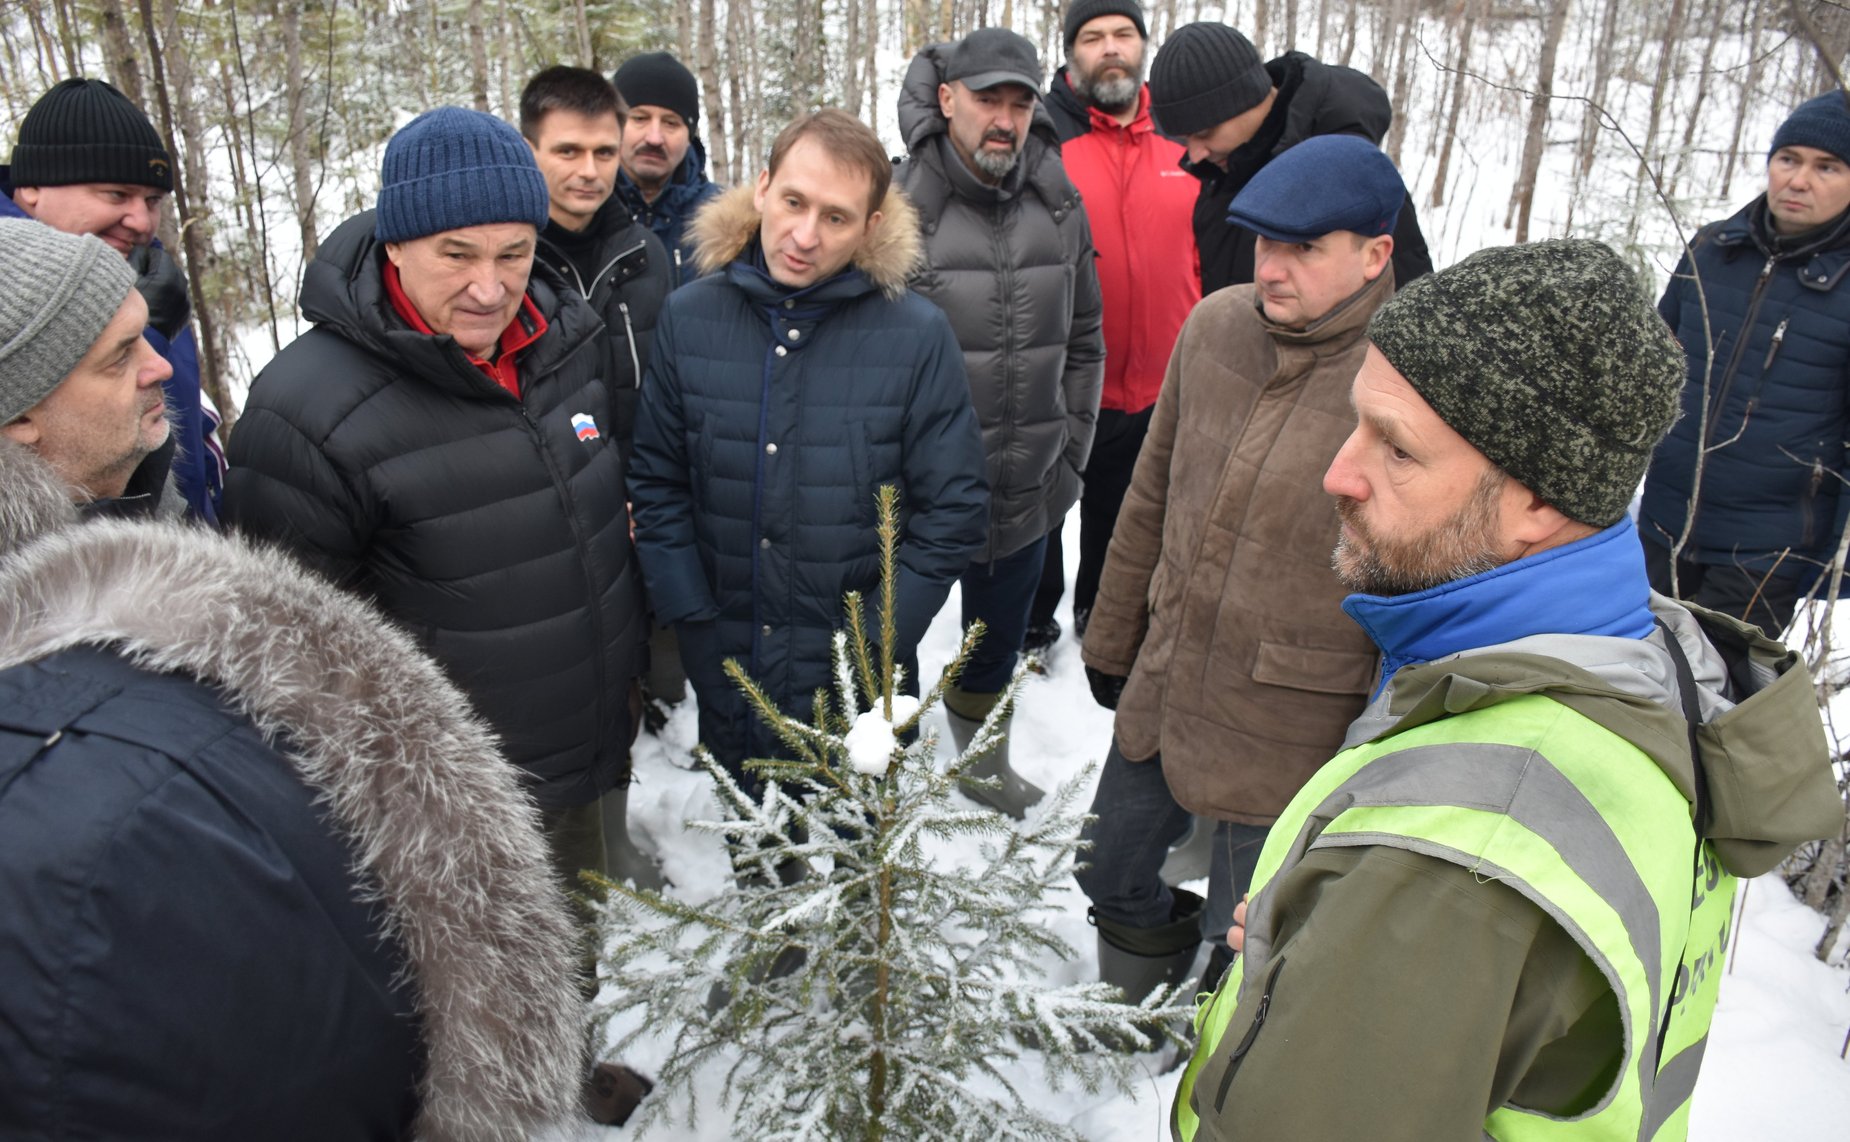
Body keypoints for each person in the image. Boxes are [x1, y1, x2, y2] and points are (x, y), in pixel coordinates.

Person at [1173, 239, 1841, 1141]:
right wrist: (1336, 955)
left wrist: (1385, 912)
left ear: (1538, 501)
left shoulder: (1467, 845)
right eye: (1356, 422)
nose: (1339, 472)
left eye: (1396, 449)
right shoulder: (1658, 666)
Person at [0, 219, 586, 1140]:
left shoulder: (136, 511)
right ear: (20, 413)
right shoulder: (55, 715)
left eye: (148, 338)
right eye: (118, 358)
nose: (161, 369)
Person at [220, 108, 647, 948]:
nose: (490, 288)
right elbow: (286, 674)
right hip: (445, 813)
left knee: (571, 961)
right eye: (456, 255)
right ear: (396, 246)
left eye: (514, 253)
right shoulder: (303, 415)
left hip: (582, 756)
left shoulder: (564, 346)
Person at [1077, 135, 1401, 1002]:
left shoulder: (1407, 381)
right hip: (1171, 678)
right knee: (1105, 866)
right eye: (1265, 242)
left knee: (1250, 931)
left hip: (1292, 724)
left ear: (1375, 255)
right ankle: (1146, 990)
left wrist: (1379, 746)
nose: (1272, 268)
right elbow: (1150, 494)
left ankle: (1214, 1050)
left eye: (1305, 248)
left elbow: (1416, 588)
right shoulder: (1216, 326)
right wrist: (1112, 638)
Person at [629, 108, 987, 786]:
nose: (804, 236)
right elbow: (658, 481)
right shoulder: (690, 316)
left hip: (859, 686)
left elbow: (955, 508)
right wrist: (694, 621)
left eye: (836, 217)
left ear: (870, 226)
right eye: (794, 202)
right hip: (730, 664)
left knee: (854, 841)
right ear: (763, 187)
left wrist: (877, 638)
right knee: (751, 826)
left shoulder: (915, 335)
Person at [894, 27, 1103, 817]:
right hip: (918, 501)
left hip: (1027, 488)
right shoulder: (899, 207)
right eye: (988, 100)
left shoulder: (1059, 203)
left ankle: (983, 764)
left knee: (996, 641)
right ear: (948, 99)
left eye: (1020, 103)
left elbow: (1085, 337)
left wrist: (1069, 456)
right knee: (890, 644)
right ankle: (883, 775)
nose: (1004, 120)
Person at [521, 66, 686, 812]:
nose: (588, 171)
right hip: (543, 516)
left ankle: (622, 805)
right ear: (530, 149)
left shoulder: (646, 256)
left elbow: (666, 390)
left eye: (602, 152)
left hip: (635, 506)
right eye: (567, 151)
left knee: (629, 671)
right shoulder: (509, 257)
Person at [1639, 90, 1850, 636]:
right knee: (1623, 670)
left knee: (1714, 681)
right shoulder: (1713, 249)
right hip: (1663, 519)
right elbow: (1650, 369)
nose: (1798, 180)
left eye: (1827, 167)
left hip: (1765, 550)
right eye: (1788, 159)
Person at [1027, 0, 1200, 656]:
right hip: (1063, 382)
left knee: (1125, 513)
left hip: (1159, 384)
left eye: (1123, 34)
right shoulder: (1042, 139)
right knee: (1042, 513)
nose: (1110, 48)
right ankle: (1033, 623)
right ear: (1071, 52)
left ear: (1142, 44)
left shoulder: (1186, 135)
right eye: (1093, 37)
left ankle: (1099, 613)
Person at [1, 76, 224, 522]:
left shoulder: (149, 276)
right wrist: (152, 330)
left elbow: (186, 432)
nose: (141, 221)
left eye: (153, 200)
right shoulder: (10, 296)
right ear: (33, 187)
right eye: (116, 194)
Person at [1147, 22, 1432, 296]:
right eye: (1185, 139)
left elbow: (1407, 299)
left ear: (1248, 97)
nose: (1195, 155)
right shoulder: (1225, 168)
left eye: (1204, 133)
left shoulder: (1346, 168)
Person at [611, 51, 725, 284]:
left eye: (671, 123)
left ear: (689, 136)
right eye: (640, 118)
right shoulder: (584, 210)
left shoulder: (725, 222)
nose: (654, 138)